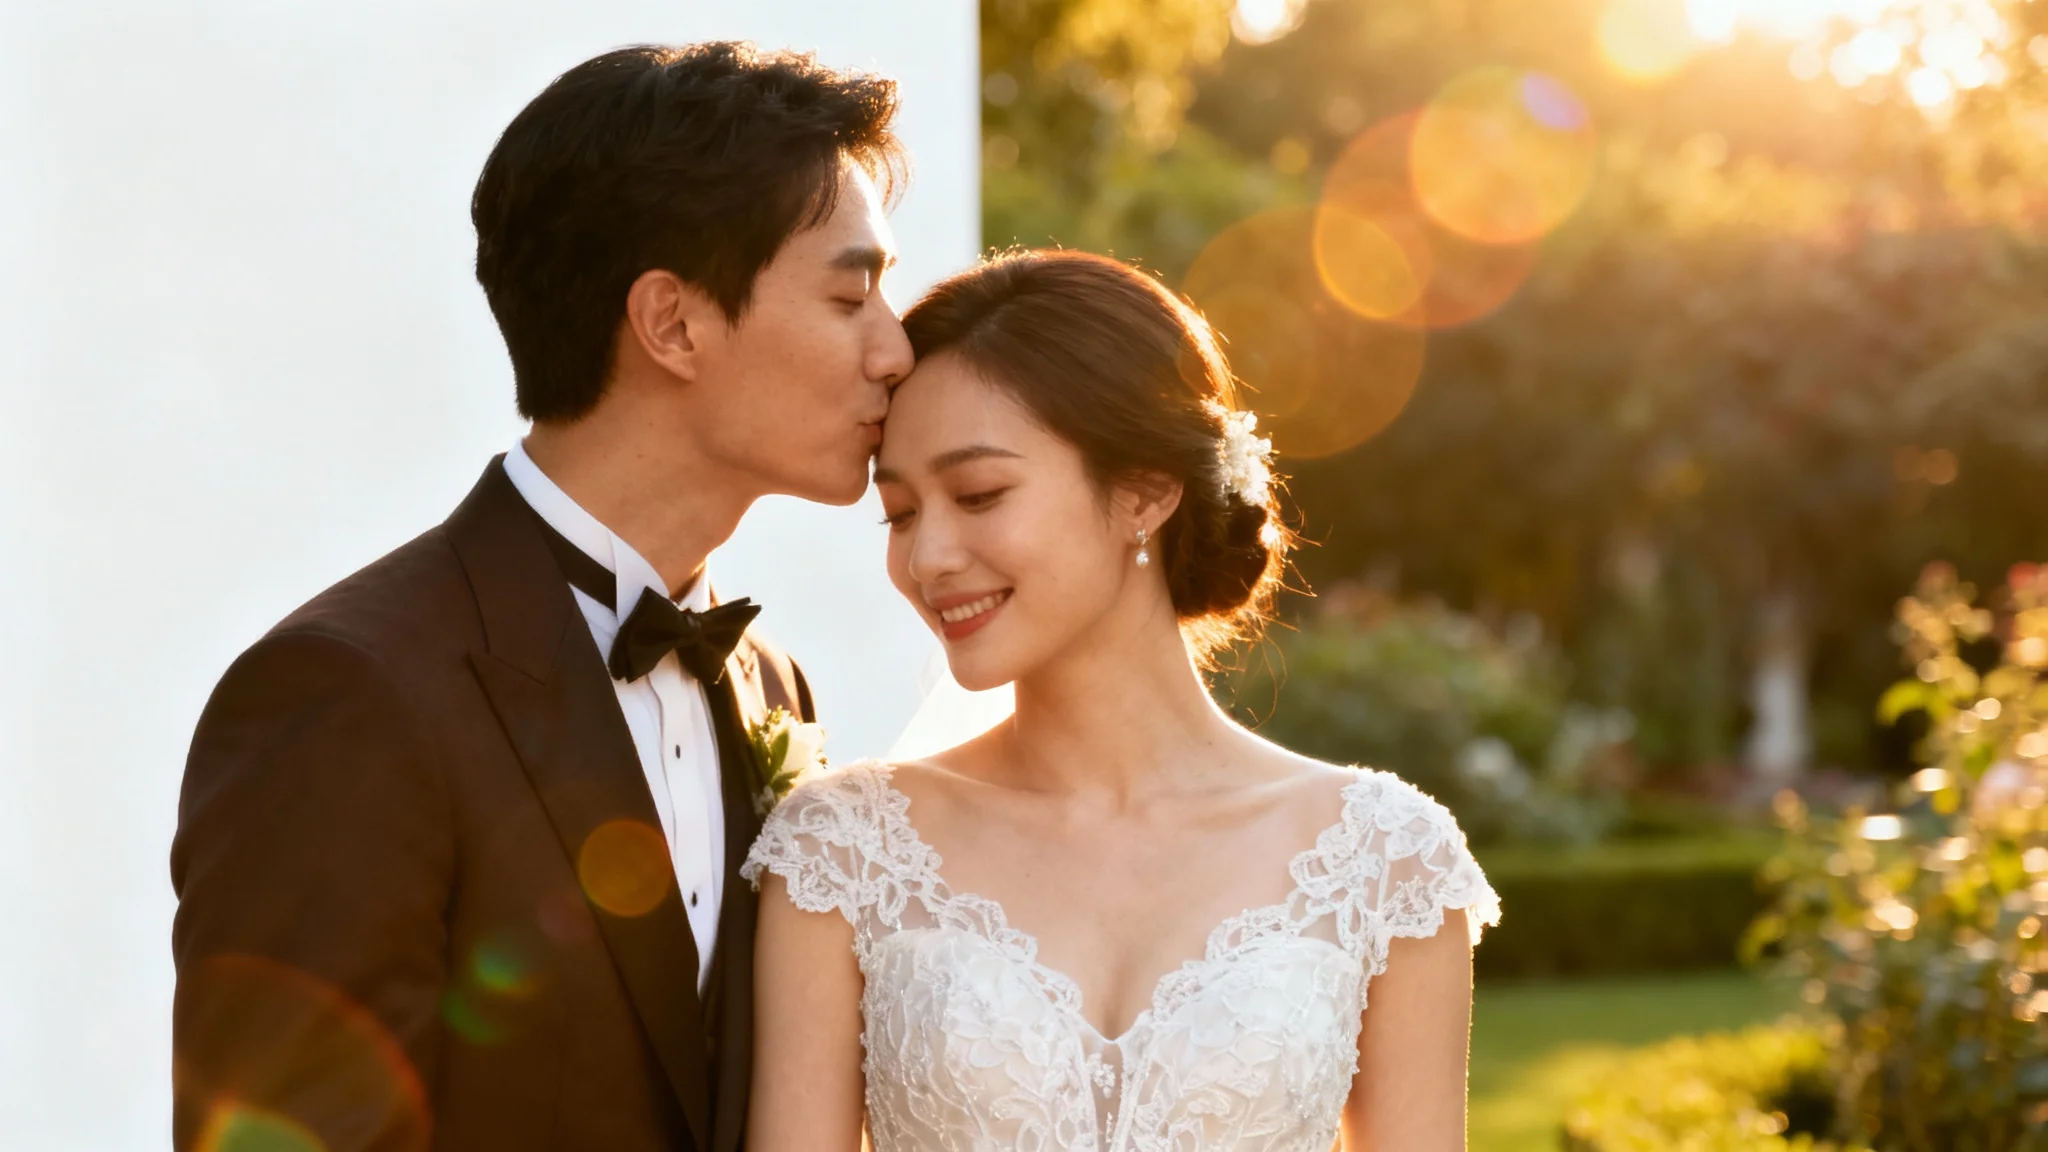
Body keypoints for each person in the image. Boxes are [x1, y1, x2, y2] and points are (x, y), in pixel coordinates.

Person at [170, 42, 912, 1152]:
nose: (895, 349)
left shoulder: (772, 685)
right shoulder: (345, 692)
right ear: (671, 323)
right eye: (851, 294)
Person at [744, 250, 1501, 1151]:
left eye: (979, 493)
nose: (927, 557)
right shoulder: (843, 852)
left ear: (1145, 491)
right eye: (901, 512)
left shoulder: (1385, 861)